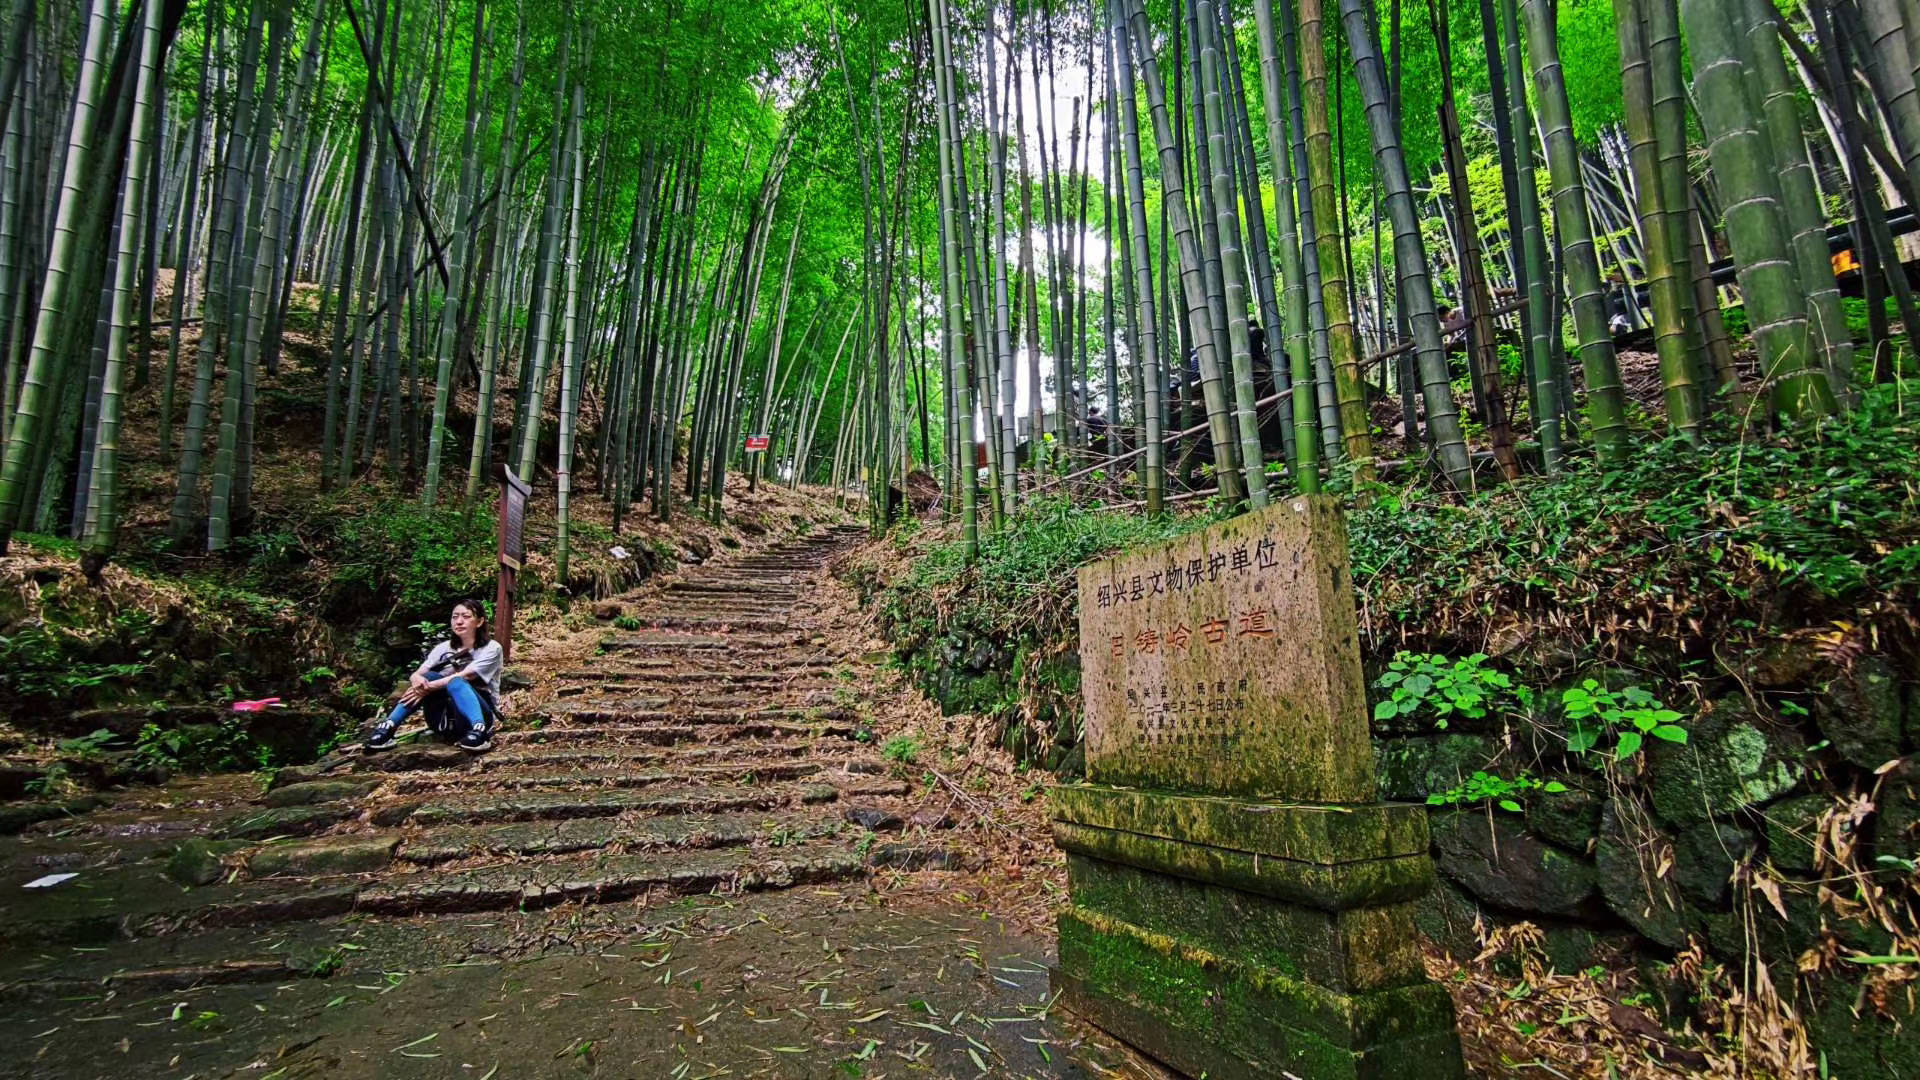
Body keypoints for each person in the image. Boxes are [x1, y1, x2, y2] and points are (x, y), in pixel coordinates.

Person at [365, 599, 502, 753]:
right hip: (441, 720)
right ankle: (387, 727)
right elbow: (418, 673)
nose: (459, 621)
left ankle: (479, 731)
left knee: (457, 681)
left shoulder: (492, 648)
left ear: (479, 621)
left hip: (478, 716)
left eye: (466, 616)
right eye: (455, 617)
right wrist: (417, 681)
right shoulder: (442, 648)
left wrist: (428, 687)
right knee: (428, 676)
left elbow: (468, 675)